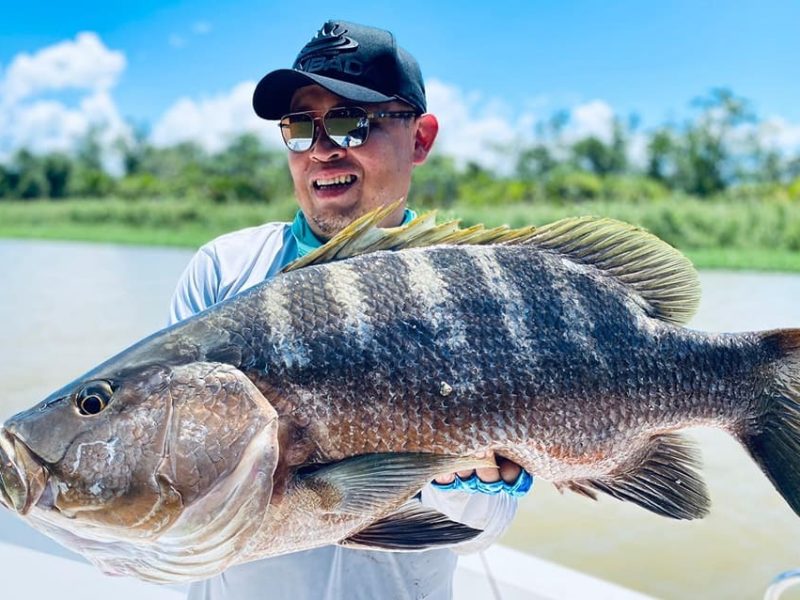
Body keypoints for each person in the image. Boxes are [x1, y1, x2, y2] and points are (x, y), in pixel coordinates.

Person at [169, 19, 532, 600]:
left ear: (420, 139)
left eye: (348, 120)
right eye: (299, 126)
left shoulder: (477, 293)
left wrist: (474, 484)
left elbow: (471, 533)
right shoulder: (222, 273)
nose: (320, 149)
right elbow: (181, 470)